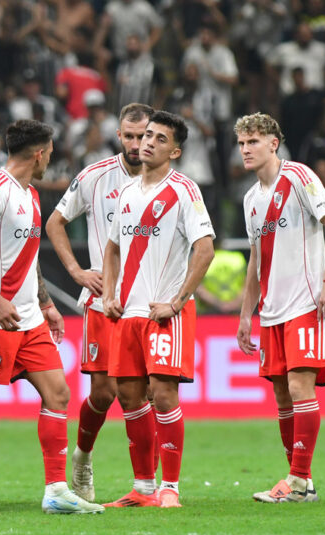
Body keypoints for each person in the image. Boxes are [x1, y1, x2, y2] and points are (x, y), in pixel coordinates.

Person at [0, 119, 104, 517]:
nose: (50, 159)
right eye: (50, 153)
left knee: (58, 393)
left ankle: (56, 490)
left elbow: (27, 258)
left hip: (29, 318)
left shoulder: (29, 193)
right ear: (39, 153)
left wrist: (46, 304)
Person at [101, 110, 215, 509]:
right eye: (147, 135)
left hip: (164, 312)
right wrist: (108, 294)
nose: (147, 142)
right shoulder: (126, 192)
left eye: (159, 139)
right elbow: (112, 248)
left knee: (164, 395)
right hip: (128, 313)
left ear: (175, 151)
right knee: (129, 397)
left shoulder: (184, 190)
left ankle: (171, 487)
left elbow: (205, 249)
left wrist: (177, 302)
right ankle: (144, 487)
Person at [45, 102, 153, 502]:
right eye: (130, 136)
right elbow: (55, 222)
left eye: (143, 136)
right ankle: (83, 456)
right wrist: (77, 271)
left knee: (144, 394)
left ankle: (148, 483)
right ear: (119, 135)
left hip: (150, 301)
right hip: (104, 301)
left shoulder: (172, 183)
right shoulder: (94, 177)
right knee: (105, 393)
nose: (136, 144)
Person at [236, 113, 325, 503]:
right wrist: (246, 314)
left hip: (306, 301)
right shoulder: (250, 199)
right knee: (282, 395)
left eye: (253, 142)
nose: (245, 150)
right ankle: (301, 483)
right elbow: (255, 260)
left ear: (273, 143)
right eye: (242, 143)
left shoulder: (299, 176)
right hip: (271, 309)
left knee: (299, 387)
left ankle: (298, 479)